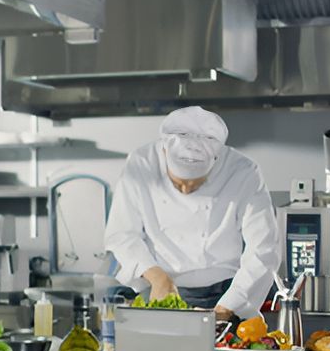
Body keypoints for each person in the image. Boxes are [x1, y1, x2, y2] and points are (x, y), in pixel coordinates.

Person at [103, 106, 281, 321]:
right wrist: (158, 278)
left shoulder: (243, 171)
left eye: (195, 184)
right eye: (178, 184)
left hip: (228, 290)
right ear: (165, 152)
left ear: (215, 160)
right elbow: (122, 234)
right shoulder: (141, 163)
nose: (186, 191)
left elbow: (264, 249)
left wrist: (227, 307)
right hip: (164, 289)